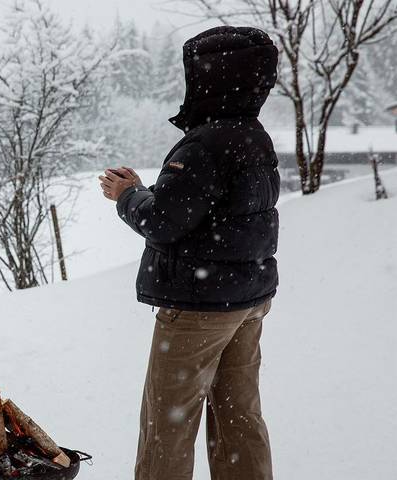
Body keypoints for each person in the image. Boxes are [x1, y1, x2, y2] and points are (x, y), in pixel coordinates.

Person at [98, 26, 280, 480]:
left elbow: (162, 221)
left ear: (209, 79)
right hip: (249, 299)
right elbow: (214, 212)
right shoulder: (252, 135)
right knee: (240, 419)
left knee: (168, 426)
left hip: (201, 308)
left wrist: (128, 194)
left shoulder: (205, 144)